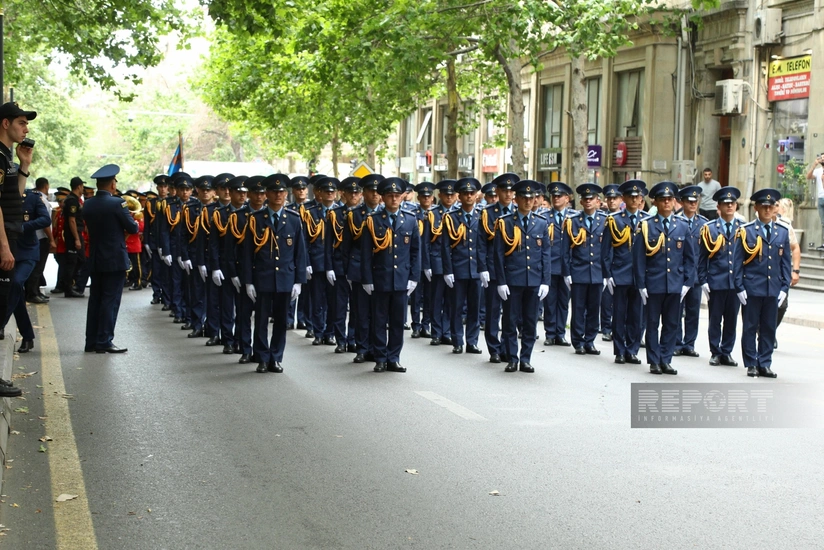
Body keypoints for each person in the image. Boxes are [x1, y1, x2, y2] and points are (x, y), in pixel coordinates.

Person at [242, 174, 307, 373]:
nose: (278, 195)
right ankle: (262, 357)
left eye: (281, 192)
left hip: (285, 278)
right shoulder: (255, 220)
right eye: (274, 192)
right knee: (260, 320)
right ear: (267, 194)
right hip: (262, 277)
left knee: (281, 320)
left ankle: (276, 358)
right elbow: (246, 253)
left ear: (286, 194)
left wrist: (299, 281)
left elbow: (300, 253)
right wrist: (248, 281)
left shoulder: (294, 220)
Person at [633, 181, 696, 375]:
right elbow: (639, 259)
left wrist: (687, 282)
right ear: (656, 202)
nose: (667, 203)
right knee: (652, 323)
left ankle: (666, 359)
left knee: (671, 324)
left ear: (674, 201)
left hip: (675, 284)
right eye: (662, 200)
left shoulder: (682, 227)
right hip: (654, 283)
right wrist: (641, 284)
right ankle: (654, 360)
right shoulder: (646, 226)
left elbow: (690, 258)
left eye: (670, 199)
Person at [361, 177, 421, 373]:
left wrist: (414, 277)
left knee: (397, 321)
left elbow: (415, 252)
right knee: (379, 320)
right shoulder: (373, 221)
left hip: (401, 279)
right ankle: (380, 357)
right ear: (383, 198)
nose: (394, 199)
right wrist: (367, 279)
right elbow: (366, 253)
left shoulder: (410, 219)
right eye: (390, 196)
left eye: (397, 196)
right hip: (380, 278)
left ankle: (393, 357)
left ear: (403, 197)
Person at [494, 180, 551, 373]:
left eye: (531, 198)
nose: (528, 201)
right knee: (510, 321)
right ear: (516, 199)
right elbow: (498, 255)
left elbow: (545, 255)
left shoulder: (541, 223)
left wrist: (546, 281)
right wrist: (501, 282)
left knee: (530, 322)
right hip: (512, 280)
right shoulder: (505, 222)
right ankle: (512, 357)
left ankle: (526, 358)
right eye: (524, 198)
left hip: (534, 280)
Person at [83, 164, 139, 353]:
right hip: (114, 259)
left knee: (95, 300)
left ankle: (91, 341)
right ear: (112, 184)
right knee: (110, 300)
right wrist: (134, 220)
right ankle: (104, 340)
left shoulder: (88, 203)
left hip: (96, 258)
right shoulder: (117, 203)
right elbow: (133, 228)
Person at [0, 102, 36, 398]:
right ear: (5, 124)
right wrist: (3, 247)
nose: (26, 129)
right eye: (22, 123)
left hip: (9, 238)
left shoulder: (8, 159)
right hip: (3, 241)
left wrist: (24, 165)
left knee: (4, 301)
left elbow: (16, 197)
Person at [736, 188, 790, 378]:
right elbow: (737, 262)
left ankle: (764, 362)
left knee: (768, 327)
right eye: (764, 206)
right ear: (756, 208)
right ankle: (751, 362)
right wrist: (739, 286)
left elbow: (785, 263)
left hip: (772, 288)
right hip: (751, 287)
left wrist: (785, 286)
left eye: (771, 206)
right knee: (750, 326)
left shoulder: (782, 232)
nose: (768, 210)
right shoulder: (746, 231)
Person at [603, 180, 648, 365]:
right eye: (630, 196)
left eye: (637, 197)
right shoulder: (614, 220)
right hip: (620, 272)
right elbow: (606, 251)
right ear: (624, 198)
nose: (634, 199)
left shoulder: (646, 221)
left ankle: (632, 350)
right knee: (619, 314)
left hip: (640, 276)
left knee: (636, 315)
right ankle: (620, 350)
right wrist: (608, 275)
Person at [698, 187, 743, 367]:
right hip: (716, 280)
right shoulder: (709, 229)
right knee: (715, 319)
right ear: (719, 206)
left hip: (735, 283)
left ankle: (727, 351)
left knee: (731, 319)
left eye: (732, 203)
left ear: (736, 206)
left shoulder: (742, 229)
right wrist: (703, 280)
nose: (729, 206)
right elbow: (702, 258)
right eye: (726, 203)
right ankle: (715, 351)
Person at [343, 174, 384, 363]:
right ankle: (361, 347)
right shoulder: (354, 215)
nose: (374, 195)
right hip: (359, 268)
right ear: (364, 193)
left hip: (381, 269)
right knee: (361, 312)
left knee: (379, 313)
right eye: (370, 191)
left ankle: (377, 348)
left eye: (377, 191)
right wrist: (348, 271)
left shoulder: (386, 214)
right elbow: (347, 246)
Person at [563, 184, 607, 355]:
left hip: (597, 272)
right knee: (579, 309)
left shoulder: (604, 221)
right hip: (578, 271)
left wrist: (606, 273)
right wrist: (567, 272)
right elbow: (565, 250)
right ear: (581, 201)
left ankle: (590, 340)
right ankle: (578, 341)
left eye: (592, 199)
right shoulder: (573, 221)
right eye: (585, 199)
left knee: (594, 308)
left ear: (598, 201)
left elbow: (607, 250)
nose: (588, 202)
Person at [478, 173, 518, 363]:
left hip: (513, 270)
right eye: (504, 191)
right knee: (493, 310)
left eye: (511, 191)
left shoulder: (519, 213)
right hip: (493, 268)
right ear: (497, 192)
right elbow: (481, 243)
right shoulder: (488, 213)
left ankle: (507, 347)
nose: (508, 194)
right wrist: (483, 268)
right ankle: (494, 348)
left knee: (511, 313)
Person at [441, 177, 483, 355]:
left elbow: (484, 246)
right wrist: (447, 271)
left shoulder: (482, 216)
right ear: (459, 196)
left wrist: (485, 269)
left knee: (475, 307)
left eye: (471, 193)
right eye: (465, 193)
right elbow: (445, 246)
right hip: (458, 269)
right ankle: (457, 340)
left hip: (476, 270)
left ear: (476, 196)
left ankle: (472, 342)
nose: (468, 196)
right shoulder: (451, 217)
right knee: (456, 307)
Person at [8, 189, 51, 354]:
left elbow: (45, 219)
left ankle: (2, 323)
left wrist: (22, 227)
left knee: (17, 282)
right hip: (7, 251)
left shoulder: (32, 198)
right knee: (15, 291)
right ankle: (27, 336)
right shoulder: (4, 196)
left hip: (27, 251)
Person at [325, 176, 361, 353]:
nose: (353, 195)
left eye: (356, 192)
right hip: (339, 266)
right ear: (343, 194)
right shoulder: (335, 215)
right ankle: (340, 339)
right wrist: (329, 267)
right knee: (339, 307)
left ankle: (353, 338)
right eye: (350, 192)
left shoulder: (365, 215)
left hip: (358, 268)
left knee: (356, 307)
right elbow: (328, 244)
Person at [674, 185, 708, 357]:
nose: (693, 204)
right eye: (689, 201)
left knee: (693, 311)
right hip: (677, 274)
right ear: (682, 202)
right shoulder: (675, 221)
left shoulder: (703, 224)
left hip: (695, 275)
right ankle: (677, 342)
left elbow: (706, 252)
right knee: (676, 310)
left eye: (696, 201)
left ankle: (689, 343)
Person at [543, 182, 575, 346]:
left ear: (567, 198)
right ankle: (550, 332)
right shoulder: (544, 217)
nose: (556, 198)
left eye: (559, 196)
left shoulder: (574, 218)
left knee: (563, 301)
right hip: (550, 264)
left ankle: (560, 333)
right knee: (549, 301)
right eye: (554, 196)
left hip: (568, 266)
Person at [598, 184, 622, 342]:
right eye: (609, 198)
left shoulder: (625, 219)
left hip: (622, 266)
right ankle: (606, 327)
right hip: (606, 265)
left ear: (621, 200)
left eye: (615, 198)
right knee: (606, 299)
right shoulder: (603, 219)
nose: (612, 201)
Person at [774, 198, 801, 339]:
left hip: (780, 273)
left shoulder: (785, 227)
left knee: (781, 305)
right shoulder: (754, 226)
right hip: (759, 273)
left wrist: (795, 271)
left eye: (775, 205)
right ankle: (765, 332)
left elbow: (795, 248)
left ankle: (769, 331)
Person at [25, 177, 53, 303]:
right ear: (46, 186)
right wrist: (52, 239)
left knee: (38, 267)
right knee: (38, 267)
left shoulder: (35, 198)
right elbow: (45, 223)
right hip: (41, 238)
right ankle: (32, 293)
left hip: (36, 237)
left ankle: (35, 291)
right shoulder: (42, 201)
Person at [806, 152, 824, 250]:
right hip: (821, 198)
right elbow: (808, 177)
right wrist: (814, 165)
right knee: (823, 222)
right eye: (821, 158)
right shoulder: (818, 171)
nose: (822, 159)